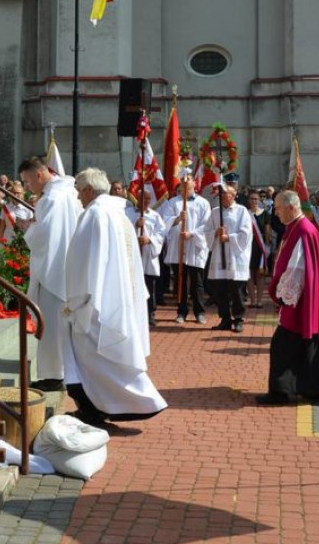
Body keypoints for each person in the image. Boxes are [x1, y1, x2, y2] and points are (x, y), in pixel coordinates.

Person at [65, 167, 167, 423]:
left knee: (92, 359)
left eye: (79, 192)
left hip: (96, 302)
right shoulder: (118, 213)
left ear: (89, 190)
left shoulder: (95, 214)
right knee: (112, 358)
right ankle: (104, 406)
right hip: (119, 298)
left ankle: (109, 407)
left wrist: (77, 300)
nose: (78, 198)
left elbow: (85, 261)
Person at [258, 190, 319, 404]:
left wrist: (283, 296)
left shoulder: (302, 230)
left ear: (291, 207)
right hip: (308, 296)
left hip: (300, 299)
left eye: (278, 208)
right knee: (312, 341)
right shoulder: (297, 228)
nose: (275, 213)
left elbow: (297, 268)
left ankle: (281, 392)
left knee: (282, 345)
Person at [19, 156, 81, 392]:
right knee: (60, 325)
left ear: (39, 174)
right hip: (67, 268)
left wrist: (29, 229)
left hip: (53, 271)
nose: (27, 188)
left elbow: (44, 237)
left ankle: (53, 375)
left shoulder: (51, 199)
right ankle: (61, 372)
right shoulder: (68, 194)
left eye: (27, 182)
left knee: (51, 325)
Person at [160, 175, 211, 324]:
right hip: (179, 246)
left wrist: (192, 234)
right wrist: (176, 219)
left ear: (194, 186)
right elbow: (165, 222)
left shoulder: (203, 203)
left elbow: (206, 225)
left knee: (197, 281)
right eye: (183, 187)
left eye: (188, 187)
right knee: (180, 280)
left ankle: (199, 312)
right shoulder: (172, 202)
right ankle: (181, 311)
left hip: (195, 246)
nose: (186, 190)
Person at [204, 185, 253, 333]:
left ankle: (238, 319)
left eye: (227, 194)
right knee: (220, 290)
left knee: (236, 291)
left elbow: (246, 233)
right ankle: (225, 319)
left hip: (235, 257)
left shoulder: (241, 211)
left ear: (234, 195)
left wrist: (229, 238)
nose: (224, 196)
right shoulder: (215, 212)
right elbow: (206, 232)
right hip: (219, 255)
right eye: (222, 194)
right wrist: (215, 232)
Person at [125, 187, 166, 328]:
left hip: (148, 255)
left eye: (148, 199)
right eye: (143, 198)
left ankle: (150, 314)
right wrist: (135, 225)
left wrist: (149, 240)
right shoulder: (127, 213)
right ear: (137, 198)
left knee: (149, 287)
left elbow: (161, 234)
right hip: (132, 255)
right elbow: (122, 230)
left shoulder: (155, 216)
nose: (146, 201)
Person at [247, 190, 271, 308]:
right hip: (248, 245)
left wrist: (267, 246)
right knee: (250, 273)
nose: (254, 201)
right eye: (251, 199)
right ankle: (252, 301)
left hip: (260, 246)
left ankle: (259, 301)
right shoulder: (245, 213)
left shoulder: (265, 213)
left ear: (259, 201)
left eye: (256, 199)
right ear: (248, 200)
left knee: (260, 274)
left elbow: (267, 230)